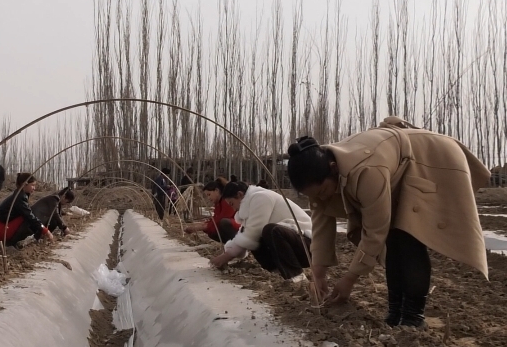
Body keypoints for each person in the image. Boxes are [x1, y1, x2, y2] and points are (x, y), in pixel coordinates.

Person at [286, 116, 490, 327]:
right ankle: (395, 313)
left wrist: (349, 279)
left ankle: (412, 317)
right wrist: (318, 275)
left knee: (409, 236)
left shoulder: (366, 170)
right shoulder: (316, 174)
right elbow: (321, 226)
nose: (322, 198)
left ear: (333, 169)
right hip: (395, 165)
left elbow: (375, 232)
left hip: (432, 159)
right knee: (393, 241)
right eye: (315, 196)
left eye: (324, 192)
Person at [208, 181, 312, 283]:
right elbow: (246, 233)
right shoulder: (251, 202)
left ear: (240, 194)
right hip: (296, 244)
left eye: (232, 203)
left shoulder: (261, 197)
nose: (233, 208)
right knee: (256, 238)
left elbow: (253, 232)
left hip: (309, 246)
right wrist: (227, 253)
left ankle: (296, 276)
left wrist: (226, 256)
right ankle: (276, 271)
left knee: (271, 230)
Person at [0, 173, 55, 246]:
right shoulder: (20, 198)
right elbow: (30, 216)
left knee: (30, 217)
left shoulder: (19, 195)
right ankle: (10, 244)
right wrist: (45, 231)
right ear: (24, 184)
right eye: (32, 185)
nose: (34, 188)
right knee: (29, 218)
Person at [184, 178, 240, 242]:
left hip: (240, 227)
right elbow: (215, 219)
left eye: (209, 194)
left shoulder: (226, 201)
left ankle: (237, 244)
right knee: (212, 233)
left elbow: (221, 219)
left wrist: (203, 227)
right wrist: (202, 225)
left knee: (223, 223)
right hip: (234, 226)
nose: (208, 198)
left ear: (216, 190)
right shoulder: (218, 203)